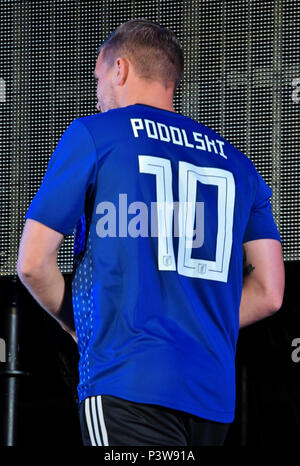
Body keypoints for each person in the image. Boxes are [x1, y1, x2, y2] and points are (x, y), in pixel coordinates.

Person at [17, 19, 285, 446]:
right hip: (211, 397)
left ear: (119, 69)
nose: (98, 92)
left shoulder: (94, 134)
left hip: (127, 380)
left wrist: (82, 326)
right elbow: (270, 292)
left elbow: (32, 263)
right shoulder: (238, 163)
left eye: (99, 78)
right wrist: (193, 322)